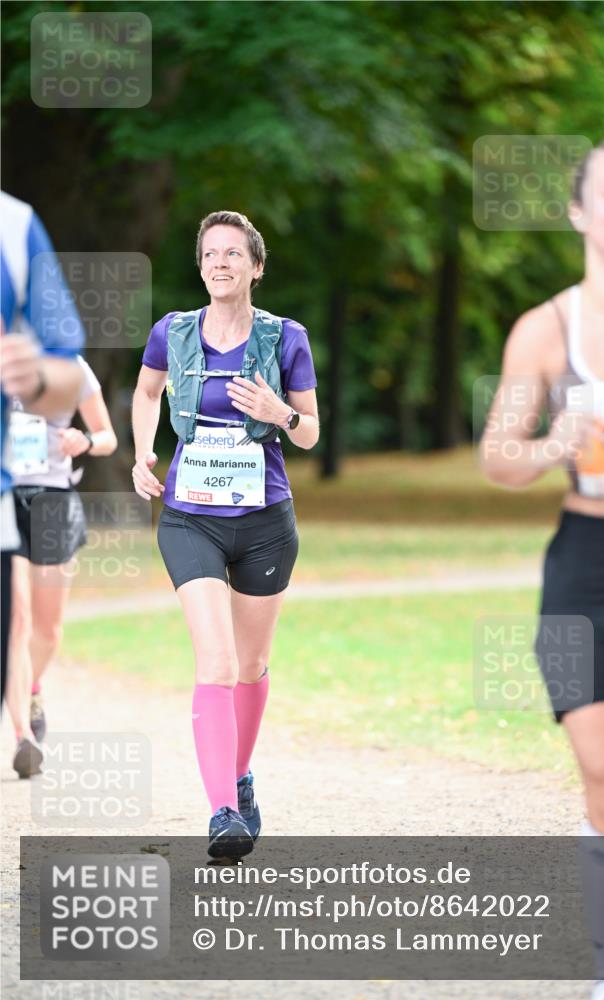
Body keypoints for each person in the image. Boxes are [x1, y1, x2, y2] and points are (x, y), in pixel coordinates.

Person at [481, 140, 604, 1000]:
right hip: (584, 575)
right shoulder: (543, 329)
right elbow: (497, 457)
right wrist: (556, 441)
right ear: (579, 212)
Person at [132, 210, 319, 858]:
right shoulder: (174, 332)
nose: (219, 263)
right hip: (191, 517)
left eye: (233, 254)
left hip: (266, 523)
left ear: (255, 267)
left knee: (250, 665)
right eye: (210, 253)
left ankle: (239, 777)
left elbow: (310, 431)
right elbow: (147, 388)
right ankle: (220, 813)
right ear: (200, 265)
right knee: (213, 661)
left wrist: (280, 411)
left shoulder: (285, 337)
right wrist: (139, 453)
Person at [5, 354, 117, 777]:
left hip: (53, 499)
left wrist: (84, 441)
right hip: (5, 496)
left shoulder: (71, 366)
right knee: (16, 618)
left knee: (47, 630)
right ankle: (21, 736)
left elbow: (107, 436)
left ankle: (29, 686)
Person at [1, 191, 85, 703]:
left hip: (43, 493)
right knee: (24, 616)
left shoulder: (14, 224)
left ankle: (28, 696)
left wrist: (34, 380)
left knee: (42, 624)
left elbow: (69, 374)